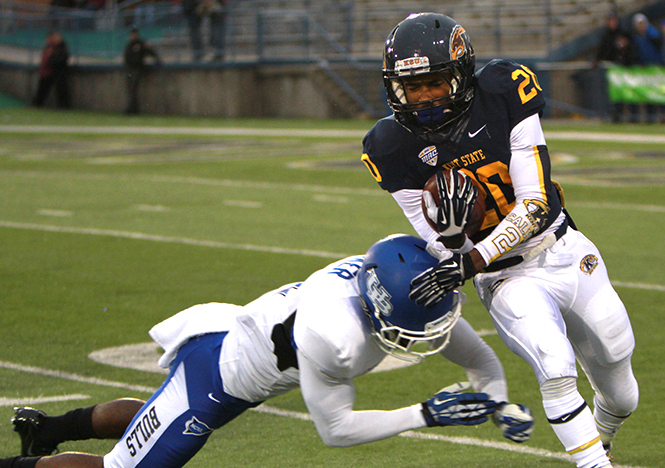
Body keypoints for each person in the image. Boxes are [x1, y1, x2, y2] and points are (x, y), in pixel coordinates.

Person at [361, 13, 639, 468]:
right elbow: (432, 239)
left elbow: (534, 204)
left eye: (434, 82)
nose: (424, 96)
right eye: (413, 87)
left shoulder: (504, 91)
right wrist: (452, 242)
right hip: (504, 279)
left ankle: (603, 432)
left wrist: (470, 258)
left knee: (621, 384)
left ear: (461, 73)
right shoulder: (390, 146)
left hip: (561, 247)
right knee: (553, 365)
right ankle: (594, 463)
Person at [4, 234, 534, 468]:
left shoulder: (402, 285)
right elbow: (336, 431)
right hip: (217, 373)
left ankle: (46, 430)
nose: (432, 335)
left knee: (156, 415)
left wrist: (497, 402)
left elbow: (479, 361)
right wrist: (422, 414)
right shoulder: (337, 336)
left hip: (242, 345)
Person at [594, 11, 637, 122]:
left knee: (628, 93)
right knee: (613, 96)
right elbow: (603, 50)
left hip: (624, 69)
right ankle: (615, 116)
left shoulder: (623, 34)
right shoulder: (606, 35)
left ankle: (632, 117)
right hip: (612, 70)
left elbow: (631, 49)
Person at [631, 13, 665, 122]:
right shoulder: (638, 37)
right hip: (646, 69)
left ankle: (662, 115)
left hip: (657, 68)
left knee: (661, 93)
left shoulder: (652, 34)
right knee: (649, 94)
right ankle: (651, 116)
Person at [123, 27, 160, 115]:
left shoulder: (140, 44)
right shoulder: (130, 44)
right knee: (131, 90)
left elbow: (150, 51)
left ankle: (133, 109)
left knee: (133, 90)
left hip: (137, 69)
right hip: (130, 70)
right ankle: (131, 109)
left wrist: (157, 60)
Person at [31, 31, 70, 109]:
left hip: (58, 71)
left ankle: (64, 106)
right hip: (48, 70)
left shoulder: (61, 47)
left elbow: (63, 57)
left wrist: (53, 62)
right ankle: (37, 103)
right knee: (42, 88)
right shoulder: (50, 47)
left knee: (61, 89)